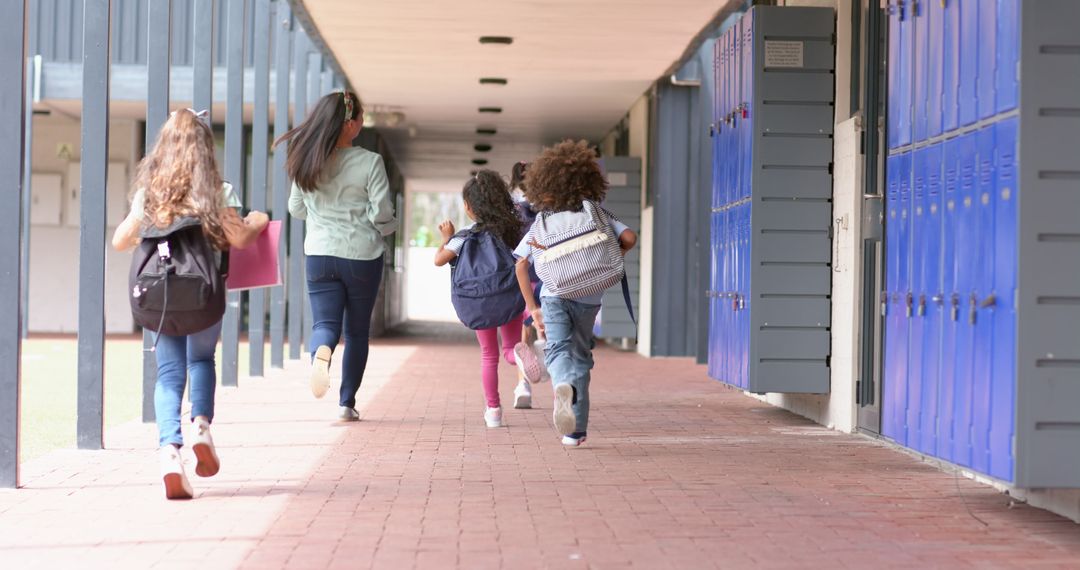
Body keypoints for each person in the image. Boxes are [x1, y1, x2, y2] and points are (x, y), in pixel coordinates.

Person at [112, 108, 270, 499]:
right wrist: (259, 220)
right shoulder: (217, 190)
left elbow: (120, 241)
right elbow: (241, 239)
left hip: (161, 299)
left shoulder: (151, 193)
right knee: (200, 360)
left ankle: (169, 452)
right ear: (204, 149)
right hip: (202, 296)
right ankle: (200, 426)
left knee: (168, 373)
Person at [276, 91, 397, 421]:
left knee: (325, 324)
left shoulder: (307, 158)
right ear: (351, 124)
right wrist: (389, 225)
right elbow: (382, 212)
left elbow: (296, 209)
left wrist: (322, 214)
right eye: (360, 118)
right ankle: (347, 403)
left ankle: (322, 352)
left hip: (319, 254)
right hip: (362, 256)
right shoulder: (370, 161)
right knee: (356, 331)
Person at [513, 140, 637, 447]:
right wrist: (610, 258)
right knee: (581, 355)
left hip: (554, 295)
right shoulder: (595, 211)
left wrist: (533, 307)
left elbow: (521, 265)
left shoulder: (542, 221)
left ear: (544, 185)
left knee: (557, 349)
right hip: (589, 298)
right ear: (588, 181)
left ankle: (562, 382)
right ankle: (575, 431)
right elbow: (630, 237)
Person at [434, 170, 525, 428]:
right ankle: (520, 359)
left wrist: (446, 239)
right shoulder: (512, 232)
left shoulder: (463, 236)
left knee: (489, 355)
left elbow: (439, 260)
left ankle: (494, 410)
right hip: (509, 295)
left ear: (468, 207)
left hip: (478, 300)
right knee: (510, 349)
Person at [507, 161, 548, 406]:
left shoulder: (511, 207)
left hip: (520, 275)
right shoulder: (546, 205)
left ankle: (522, 385)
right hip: (546, 275)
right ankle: (559, 382)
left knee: (524, 331)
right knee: (547, 327)